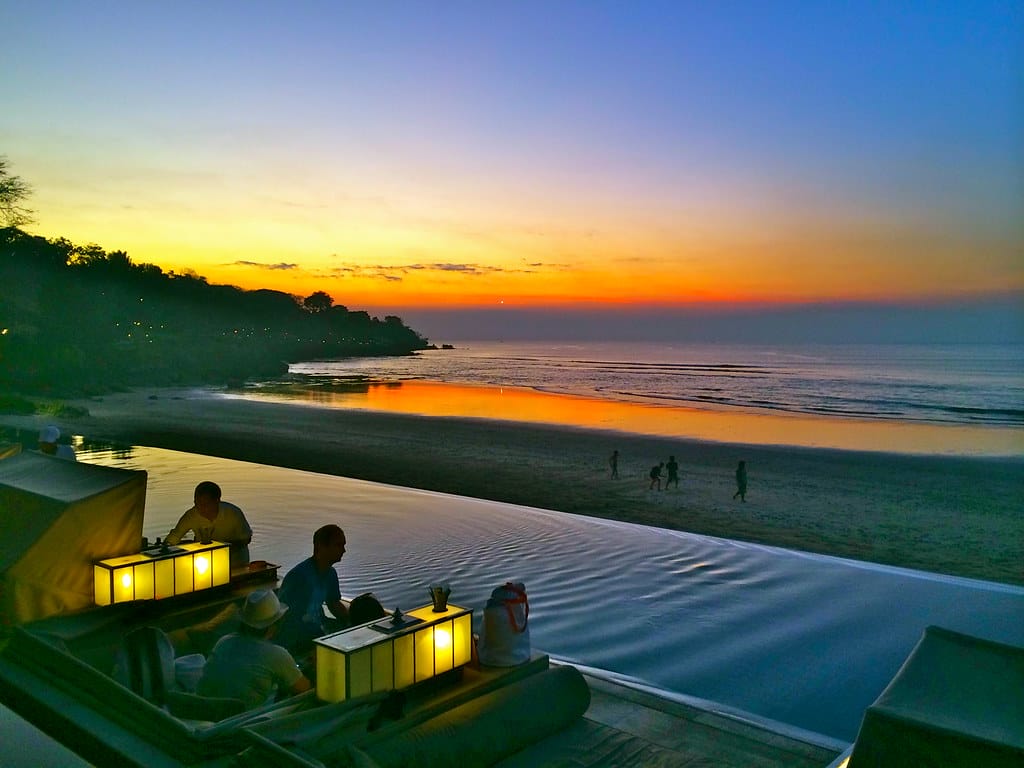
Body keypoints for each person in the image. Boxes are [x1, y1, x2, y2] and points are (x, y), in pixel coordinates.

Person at [197, 590, 311, 710]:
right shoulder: (276, 655)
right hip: (243, 720)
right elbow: (304, 690)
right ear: (274, 625)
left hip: (206, 709)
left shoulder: (224, 641)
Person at [275, 524, 350, 656]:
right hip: (298, 638)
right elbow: (288, 617)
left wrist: (352, 622)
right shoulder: (299, 577)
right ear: (321, 546)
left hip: (318, 628)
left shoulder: (331, 573)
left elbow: (333, 603)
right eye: (339, 545)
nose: (344, 550)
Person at [165, 481, 252, 569]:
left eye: (206, 504)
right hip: (205, 564)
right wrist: (165, 548)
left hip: (235, 563)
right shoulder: (191, 515)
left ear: (217, 501)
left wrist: (221, 547)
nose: (200, 508)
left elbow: (246, 539)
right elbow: (175, 536)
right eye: (197, 503)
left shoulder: (233, 513)